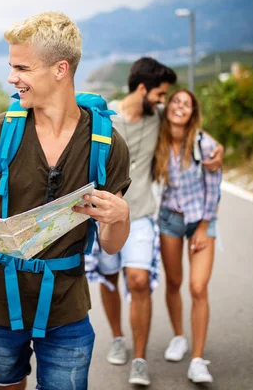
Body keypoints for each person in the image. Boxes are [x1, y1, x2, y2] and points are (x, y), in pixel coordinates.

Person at [0, 12, 131, 390]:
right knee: (6, 383)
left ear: (60, 69)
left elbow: (113, 246)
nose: (11, 77)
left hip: (66, 306)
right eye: (10, 65)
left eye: (22, 67)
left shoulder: (106, 145)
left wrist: (120, 216)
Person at [86, 58, 224, 386]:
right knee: (108, 277)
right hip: (104, 216)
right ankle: (118, 337)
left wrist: (217, 151)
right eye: (161, 94)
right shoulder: (106, 119)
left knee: (137, 279)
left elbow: (189, 126)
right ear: (143, 89)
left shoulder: (157, 115)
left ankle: (140, 358)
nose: (165, 100)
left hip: (143, 215)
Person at [153, 89, 223, 383]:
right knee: (174, 282)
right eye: (176, 101)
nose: (180, 107)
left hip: (201, 221)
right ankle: (179, 336)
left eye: (187, 104)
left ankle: (197, 359)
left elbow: (214, 188)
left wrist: (204, 227)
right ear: (168, 107)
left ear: (193, 113)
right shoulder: (158, 139)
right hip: (169, 218)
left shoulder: (204, 144)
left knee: (197, 287)